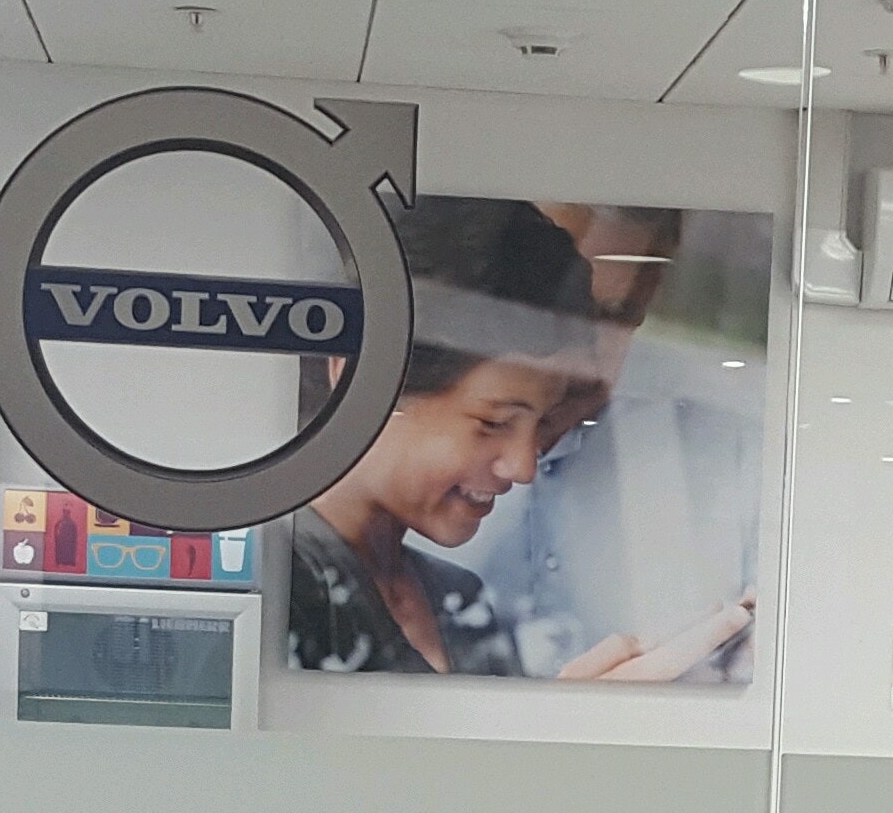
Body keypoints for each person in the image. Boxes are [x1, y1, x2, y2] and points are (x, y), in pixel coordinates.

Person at [278, 200, 746, 678]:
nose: (524, 467)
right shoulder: (276, 587)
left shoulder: (457, 596)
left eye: (541, 423)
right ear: (361, 379)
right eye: (495, 422)